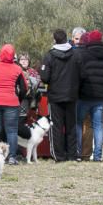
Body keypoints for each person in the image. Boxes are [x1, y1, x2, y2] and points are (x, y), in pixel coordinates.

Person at [40, 29, 80, 162]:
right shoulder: (75, 54)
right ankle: (72, 155)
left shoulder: (49, 56)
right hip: (71, 95)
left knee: (56, 127)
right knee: (71, 126)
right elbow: (82, 74)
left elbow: (44, 77)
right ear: (66, 38)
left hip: (55, 96)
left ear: (54, 39)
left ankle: (59, 156)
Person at [76, 30, 103, 162]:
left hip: (83, 97)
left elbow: (79, 78)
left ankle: (78, 153)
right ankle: (97, 156)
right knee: (98, 126)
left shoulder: (83, 56)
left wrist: (78, 92)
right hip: (100, 99)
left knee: (79, 123)